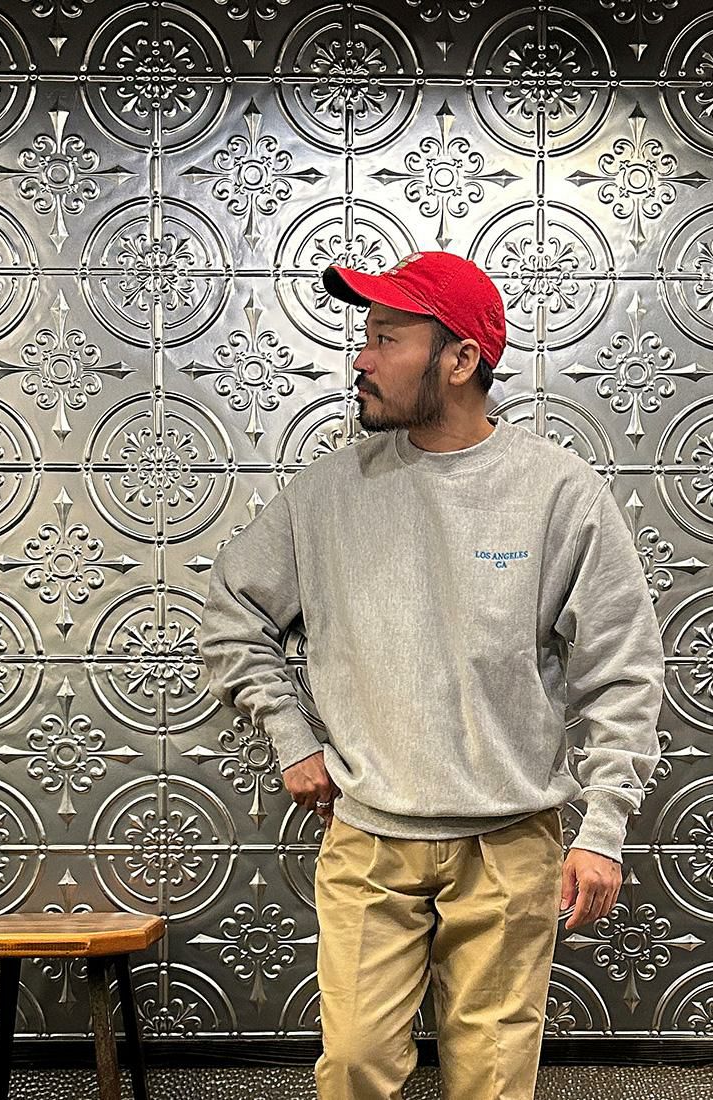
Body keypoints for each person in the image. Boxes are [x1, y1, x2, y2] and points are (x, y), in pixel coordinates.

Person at [199, 250, 665, 1100]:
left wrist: (602, 829)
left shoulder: (559, 492)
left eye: (386, 338)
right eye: (366, 336)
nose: (361, 358)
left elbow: (622, 669)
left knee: (492, 1080)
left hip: (511, 839)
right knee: (353, 1067)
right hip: (369, 835)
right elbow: (234, 612)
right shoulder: (327, 493)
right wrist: (291, 737)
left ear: (459, 360)